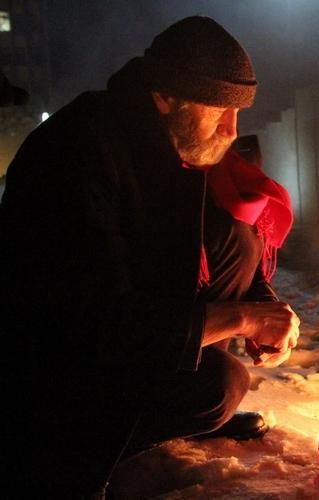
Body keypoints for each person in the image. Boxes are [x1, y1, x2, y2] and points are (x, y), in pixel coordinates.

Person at [0, 16, 300, 498]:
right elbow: (95, 327)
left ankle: (172, 394)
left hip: (131, 322)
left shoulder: (167, 143)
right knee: (220, 385)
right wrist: (239, 319)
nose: (231, 129)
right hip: (57, 367)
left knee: (239, 239)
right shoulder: (74, 156)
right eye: (219, 110)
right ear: (166, 97)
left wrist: (263, 309)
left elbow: (213, 242)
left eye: (238, 113)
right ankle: (82, 454)